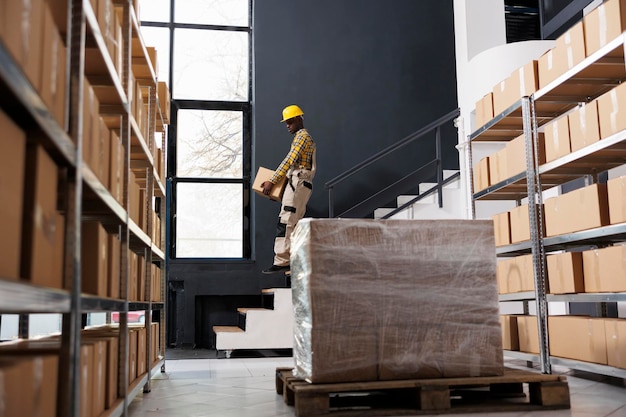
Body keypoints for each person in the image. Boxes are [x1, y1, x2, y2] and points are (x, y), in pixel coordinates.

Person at [261, 104, 316, 274]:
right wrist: (279, 190)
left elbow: (289, 160)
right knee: (293, 222)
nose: (287, 125)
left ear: (299, 119)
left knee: (286, 221)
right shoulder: (303, 137)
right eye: (286, 122)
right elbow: (295, 167)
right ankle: (292, 259)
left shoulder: (301, 137)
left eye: (290, 121)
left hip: (298, 183)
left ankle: (282, 261)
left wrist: (272, 180)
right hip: (298, 183)